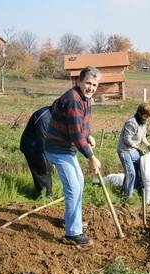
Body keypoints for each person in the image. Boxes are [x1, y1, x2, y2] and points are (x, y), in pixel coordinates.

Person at [45, 67, 101, 246]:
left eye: (94, 84)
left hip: (67, 150)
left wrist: (89, 134)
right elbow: (76, 135)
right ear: (79, 82)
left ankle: (69, 220)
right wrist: (91, 157)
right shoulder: (73, 99)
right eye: (88, 83)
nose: (91, 87)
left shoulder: (87, 99)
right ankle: (72, 234)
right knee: (73, 188)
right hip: (57, 149)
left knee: (80, 183)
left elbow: (83, 124)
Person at [117, 102, 150, 199]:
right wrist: (137, 147)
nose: (147, 118)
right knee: (131, 173)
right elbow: (127, 139)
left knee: (139, 171)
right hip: (125, 150)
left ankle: (135, 191)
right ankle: (127, 197)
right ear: (140, 113)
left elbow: (142, 137)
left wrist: (149, 146)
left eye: (148, 116)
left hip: (133, 151)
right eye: (146, 116)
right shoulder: (131, 123)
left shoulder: (143, 123)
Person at [20, 106, 53, 199]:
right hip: (32, 146)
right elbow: (43, 142)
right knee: (42, 169)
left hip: (43, 143)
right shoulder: (44, 118)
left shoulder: (58, 115)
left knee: (47, 168)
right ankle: (43, 197)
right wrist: (52, 158)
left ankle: (47, 194)